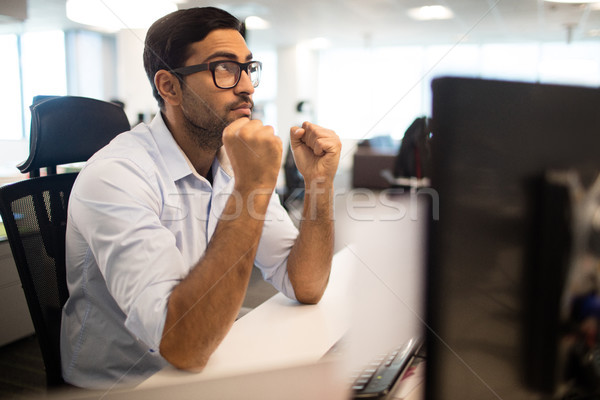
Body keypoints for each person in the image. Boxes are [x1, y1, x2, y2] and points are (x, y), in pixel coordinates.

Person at [60, 6, 341, 389]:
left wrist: (318, 185)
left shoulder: (231, 160)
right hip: (128, 385)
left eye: (247, 67)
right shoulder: (116, 175)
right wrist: (254, 185)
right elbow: (183, 346)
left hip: (210, 362)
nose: (247, 87)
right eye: (224, 68)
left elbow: (305, 284)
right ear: (169, 87)